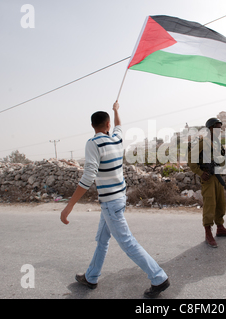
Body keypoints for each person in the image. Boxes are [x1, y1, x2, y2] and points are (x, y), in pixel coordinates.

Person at [60, 101, 170, 298]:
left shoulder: (93, 144)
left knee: (127, 242)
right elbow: (120, 127)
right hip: (118, 199)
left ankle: (158, 277)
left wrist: (69, 206)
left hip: (110, 203)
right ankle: (91, 277)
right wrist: (116, 110)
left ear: (92, 126)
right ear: (107, 124)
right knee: (102, 239)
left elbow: (88, 176)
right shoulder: (117, 140)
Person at [188, 118, 226, 248]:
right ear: (210, 129)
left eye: (220, 128)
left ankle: (220, 228)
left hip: (218, 176)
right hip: (208, 179)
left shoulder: (217, 143)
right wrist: (200, 173)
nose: (219, 130)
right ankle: (208, 233)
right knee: (210, 205)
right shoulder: (203, 143)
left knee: (220, 204)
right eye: (217, 128)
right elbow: (191, 160)